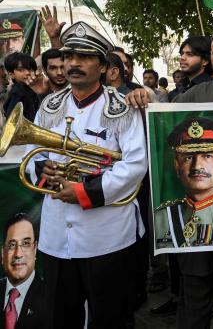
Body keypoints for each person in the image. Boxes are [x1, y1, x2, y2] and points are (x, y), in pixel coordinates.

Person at [127, 30, 213, 329]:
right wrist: (143, 97)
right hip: (194, 217)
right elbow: (160, 120)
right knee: (195, 293)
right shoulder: (193, 95)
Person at [27, 21, 147, 329]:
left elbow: (135, 164)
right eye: (69, 57)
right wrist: (42, 170)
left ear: (105, 66)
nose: (74, 64)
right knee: (59, 316)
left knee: (111, 318)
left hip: (106, 236)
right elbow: (33, 154)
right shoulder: (49, 105)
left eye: (85, 57)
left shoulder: (121, 107)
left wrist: (84, 192)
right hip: (55, 235)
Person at [154, 117, 213, 249]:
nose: (197, 166)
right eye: (188, 157)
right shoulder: (161, 217)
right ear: (176, 165)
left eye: (207, 156)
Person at [1, 213, 50, 329]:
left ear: (35, 250)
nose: (18, 254)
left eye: (26, 244)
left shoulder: (52, 297)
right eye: (12, 245)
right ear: (3, 253)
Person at [2, 52, 39, 121]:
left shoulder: (34, 88)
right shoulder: (17, 92)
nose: (28, 72)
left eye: (30, 69)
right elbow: (12, 119)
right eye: (21, 70)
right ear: (11, 74)